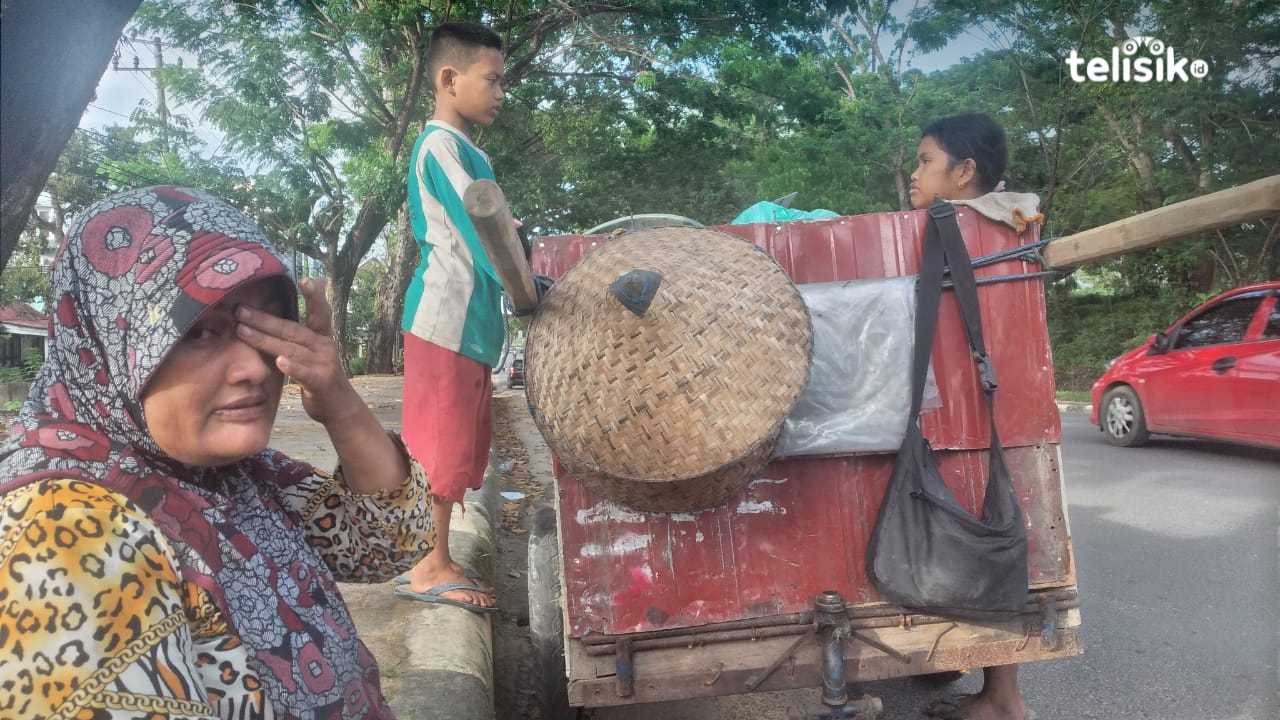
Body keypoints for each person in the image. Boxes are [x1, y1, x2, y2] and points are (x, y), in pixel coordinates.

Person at [0, 186, 433, 719]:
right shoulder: (62, 534)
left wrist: (338, 399)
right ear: (111, 344)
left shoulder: (236, 477)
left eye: (267, 328)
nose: (255, 367)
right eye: (199, 331)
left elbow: (388, 543)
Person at [909, 112, 1026, 720]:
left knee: (981, 534)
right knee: (985, 536)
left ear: (965, 171)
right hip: (979, 412)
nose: (914, 172)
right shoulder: (1007, 223)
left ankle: (1002, 700)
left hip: (975, 413)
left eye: (926, 161)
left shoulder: (990, 225)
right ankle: (993, 691)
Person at [395, 21, 509, 613]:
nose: (499, 92)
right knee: (438, 441)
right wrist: (525, 279)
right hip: (446, 316)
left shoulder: (469, 150)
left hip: (470, 321)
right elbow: (484, 227)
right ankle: (427, 565)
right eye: (491, 80)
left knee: (461, 438)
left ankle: (434, 554)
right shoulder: (439, 144)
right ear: (449, 78)